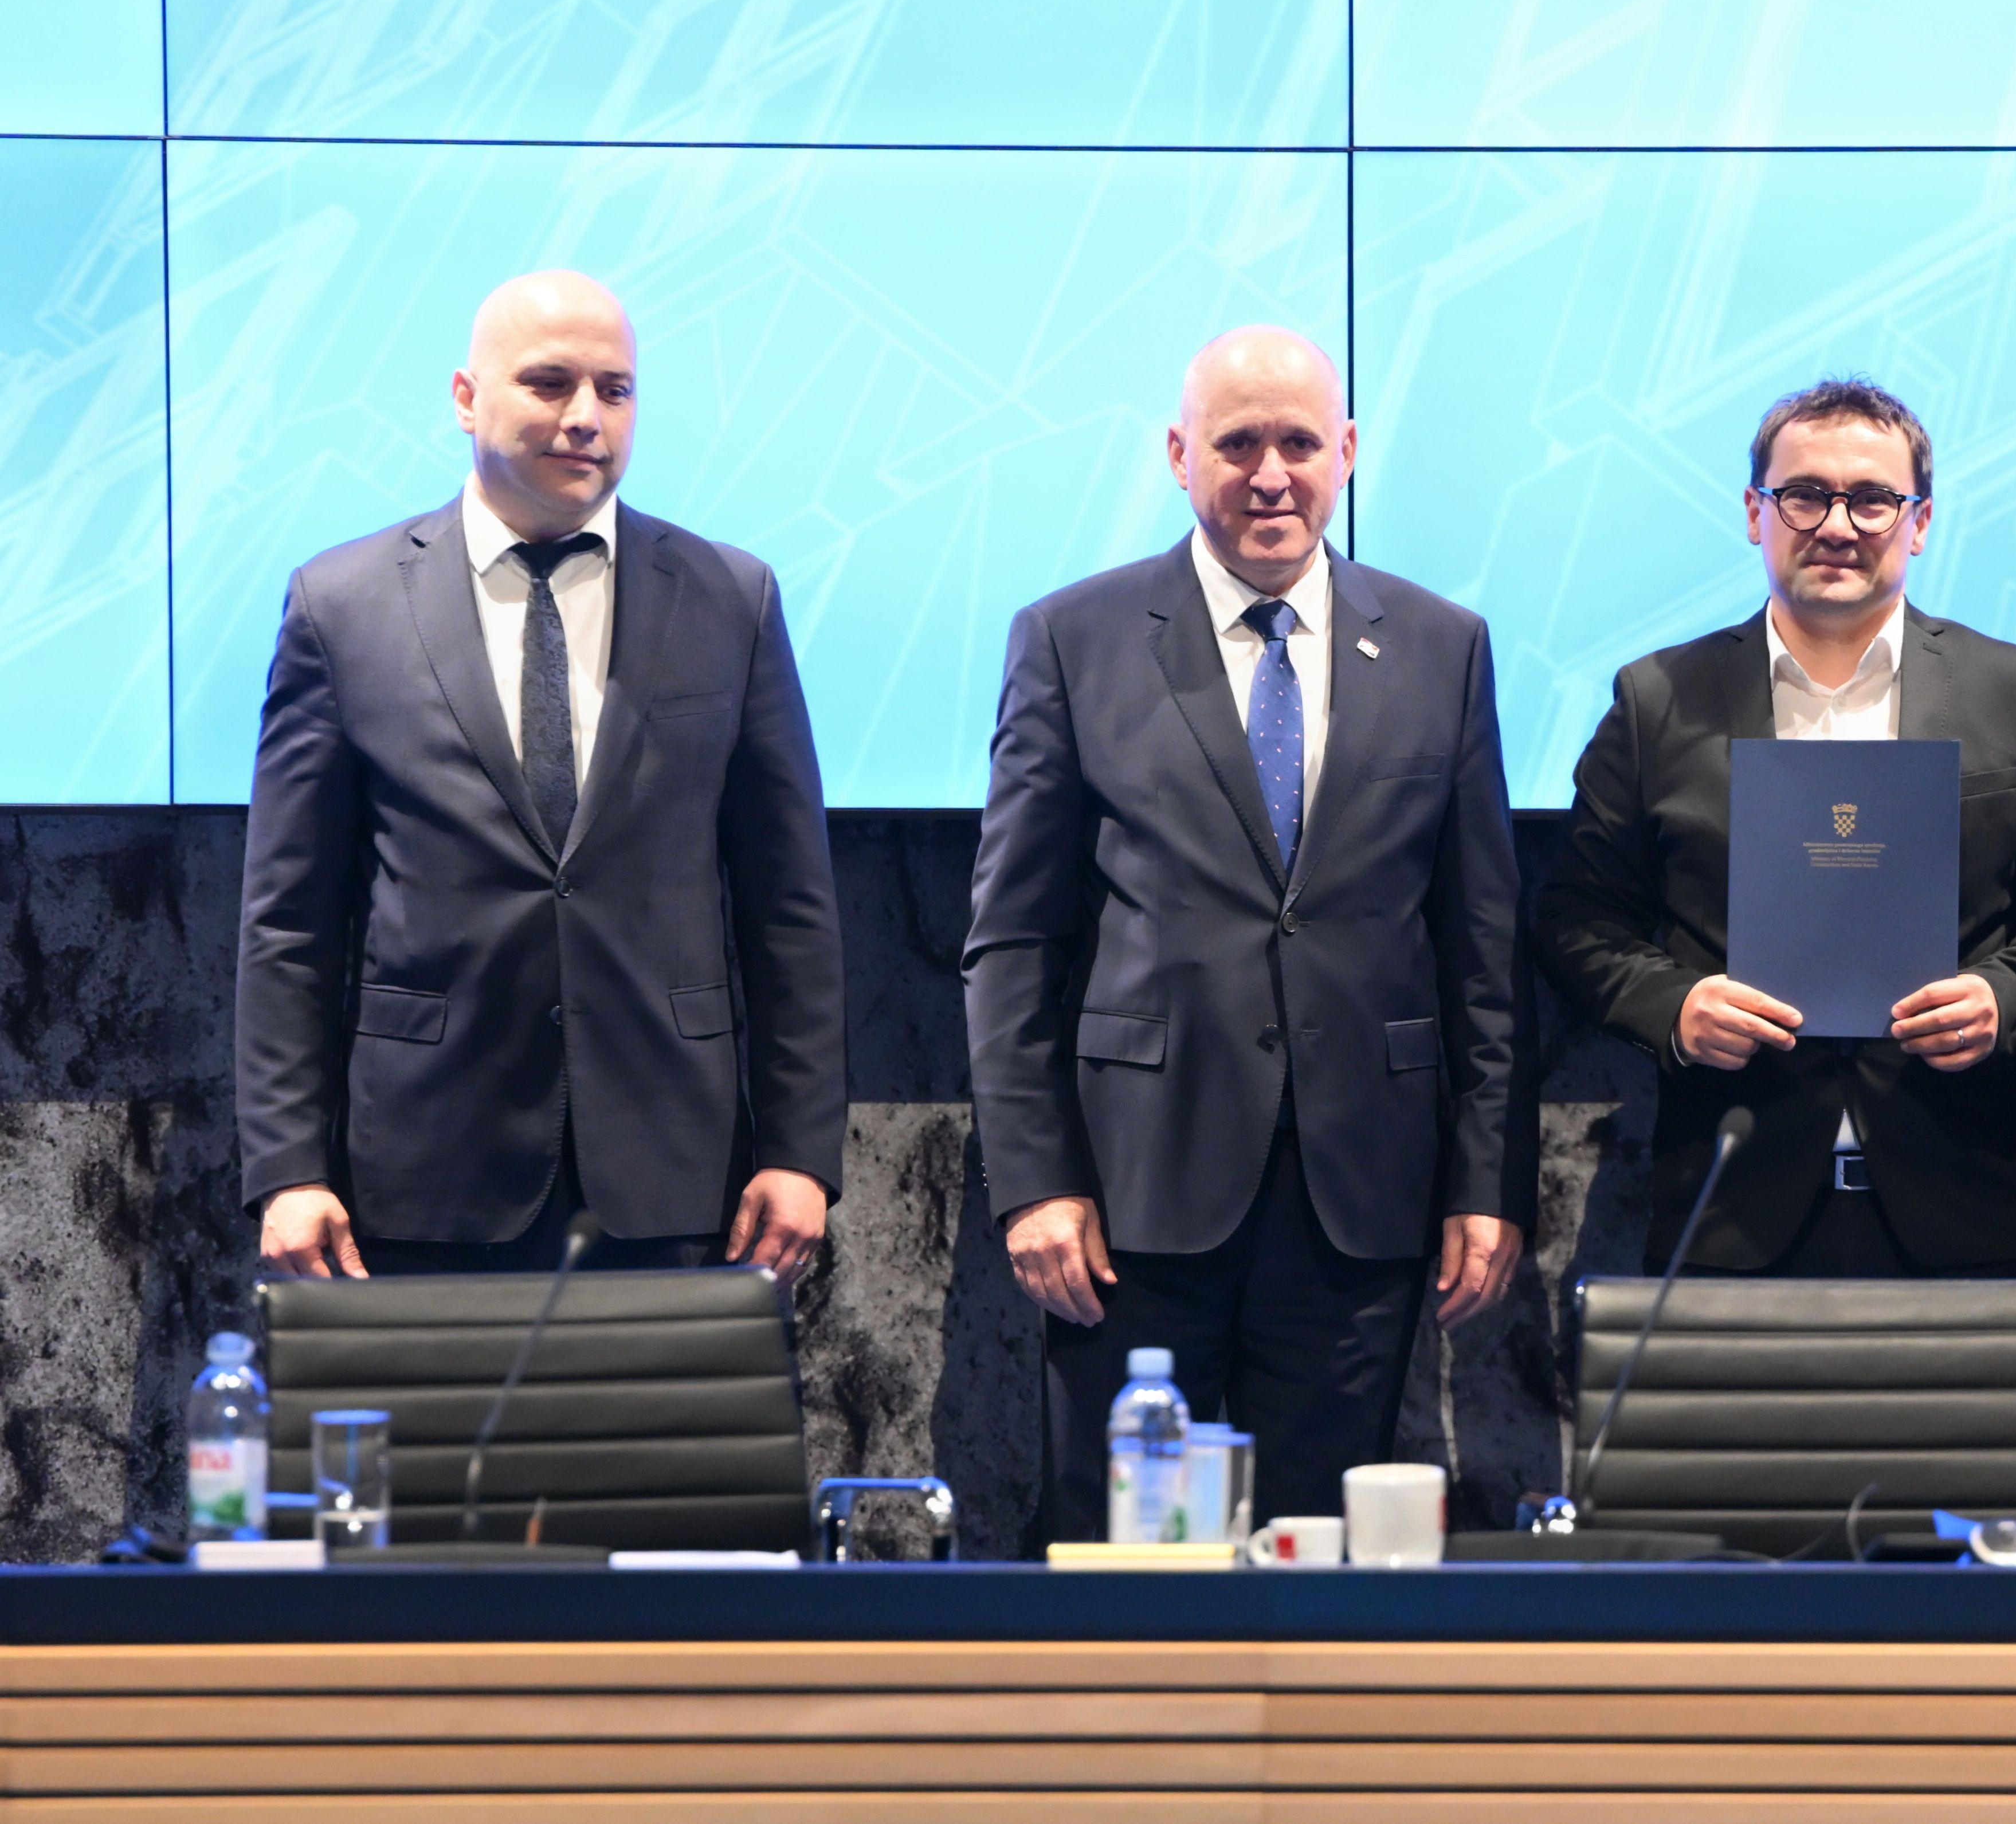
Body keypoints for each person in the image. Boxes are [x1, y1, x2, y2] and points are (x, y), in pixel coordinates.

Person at [963, 325, 1530, 1542]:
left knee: (1318, 1561)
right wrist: (1036, 1183)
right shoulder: (1071, 638)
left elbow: (1481, 948)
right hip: (1127, 1202)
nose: (1271, 475)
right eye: (1237, 445)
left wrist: (1487, 1181)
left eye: (1299, 444)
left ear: (1349, 453)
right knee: (1122, 1558)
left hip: (1360, 1200)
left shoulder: (1444, 646)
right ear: (1180, 455)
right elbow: (1012, 943)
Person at [239, 270, 846, 1280]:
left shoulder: (729, 597)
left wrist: (799, 1150)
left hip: (678, 1170)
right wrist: (288, 1168)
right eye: (550, 383)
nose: (586, 417)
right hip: (422, 1171)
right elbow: (289, 922)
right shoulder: (341, 604)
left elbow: (790, 908)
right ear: (466, 397)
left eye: (615, 389)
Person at [1535, 378, 2016, 1277]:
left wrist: (2006, 997)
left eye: (1873, 499)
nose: (1838, 526)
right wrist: (1677, 1009)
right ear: (1756, 513)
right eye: (1805, 496)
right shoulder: (1658, 700)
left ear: (1920, 523)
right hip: (1728, 1197)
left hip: (1961, 1194)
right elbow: (1575, 916)